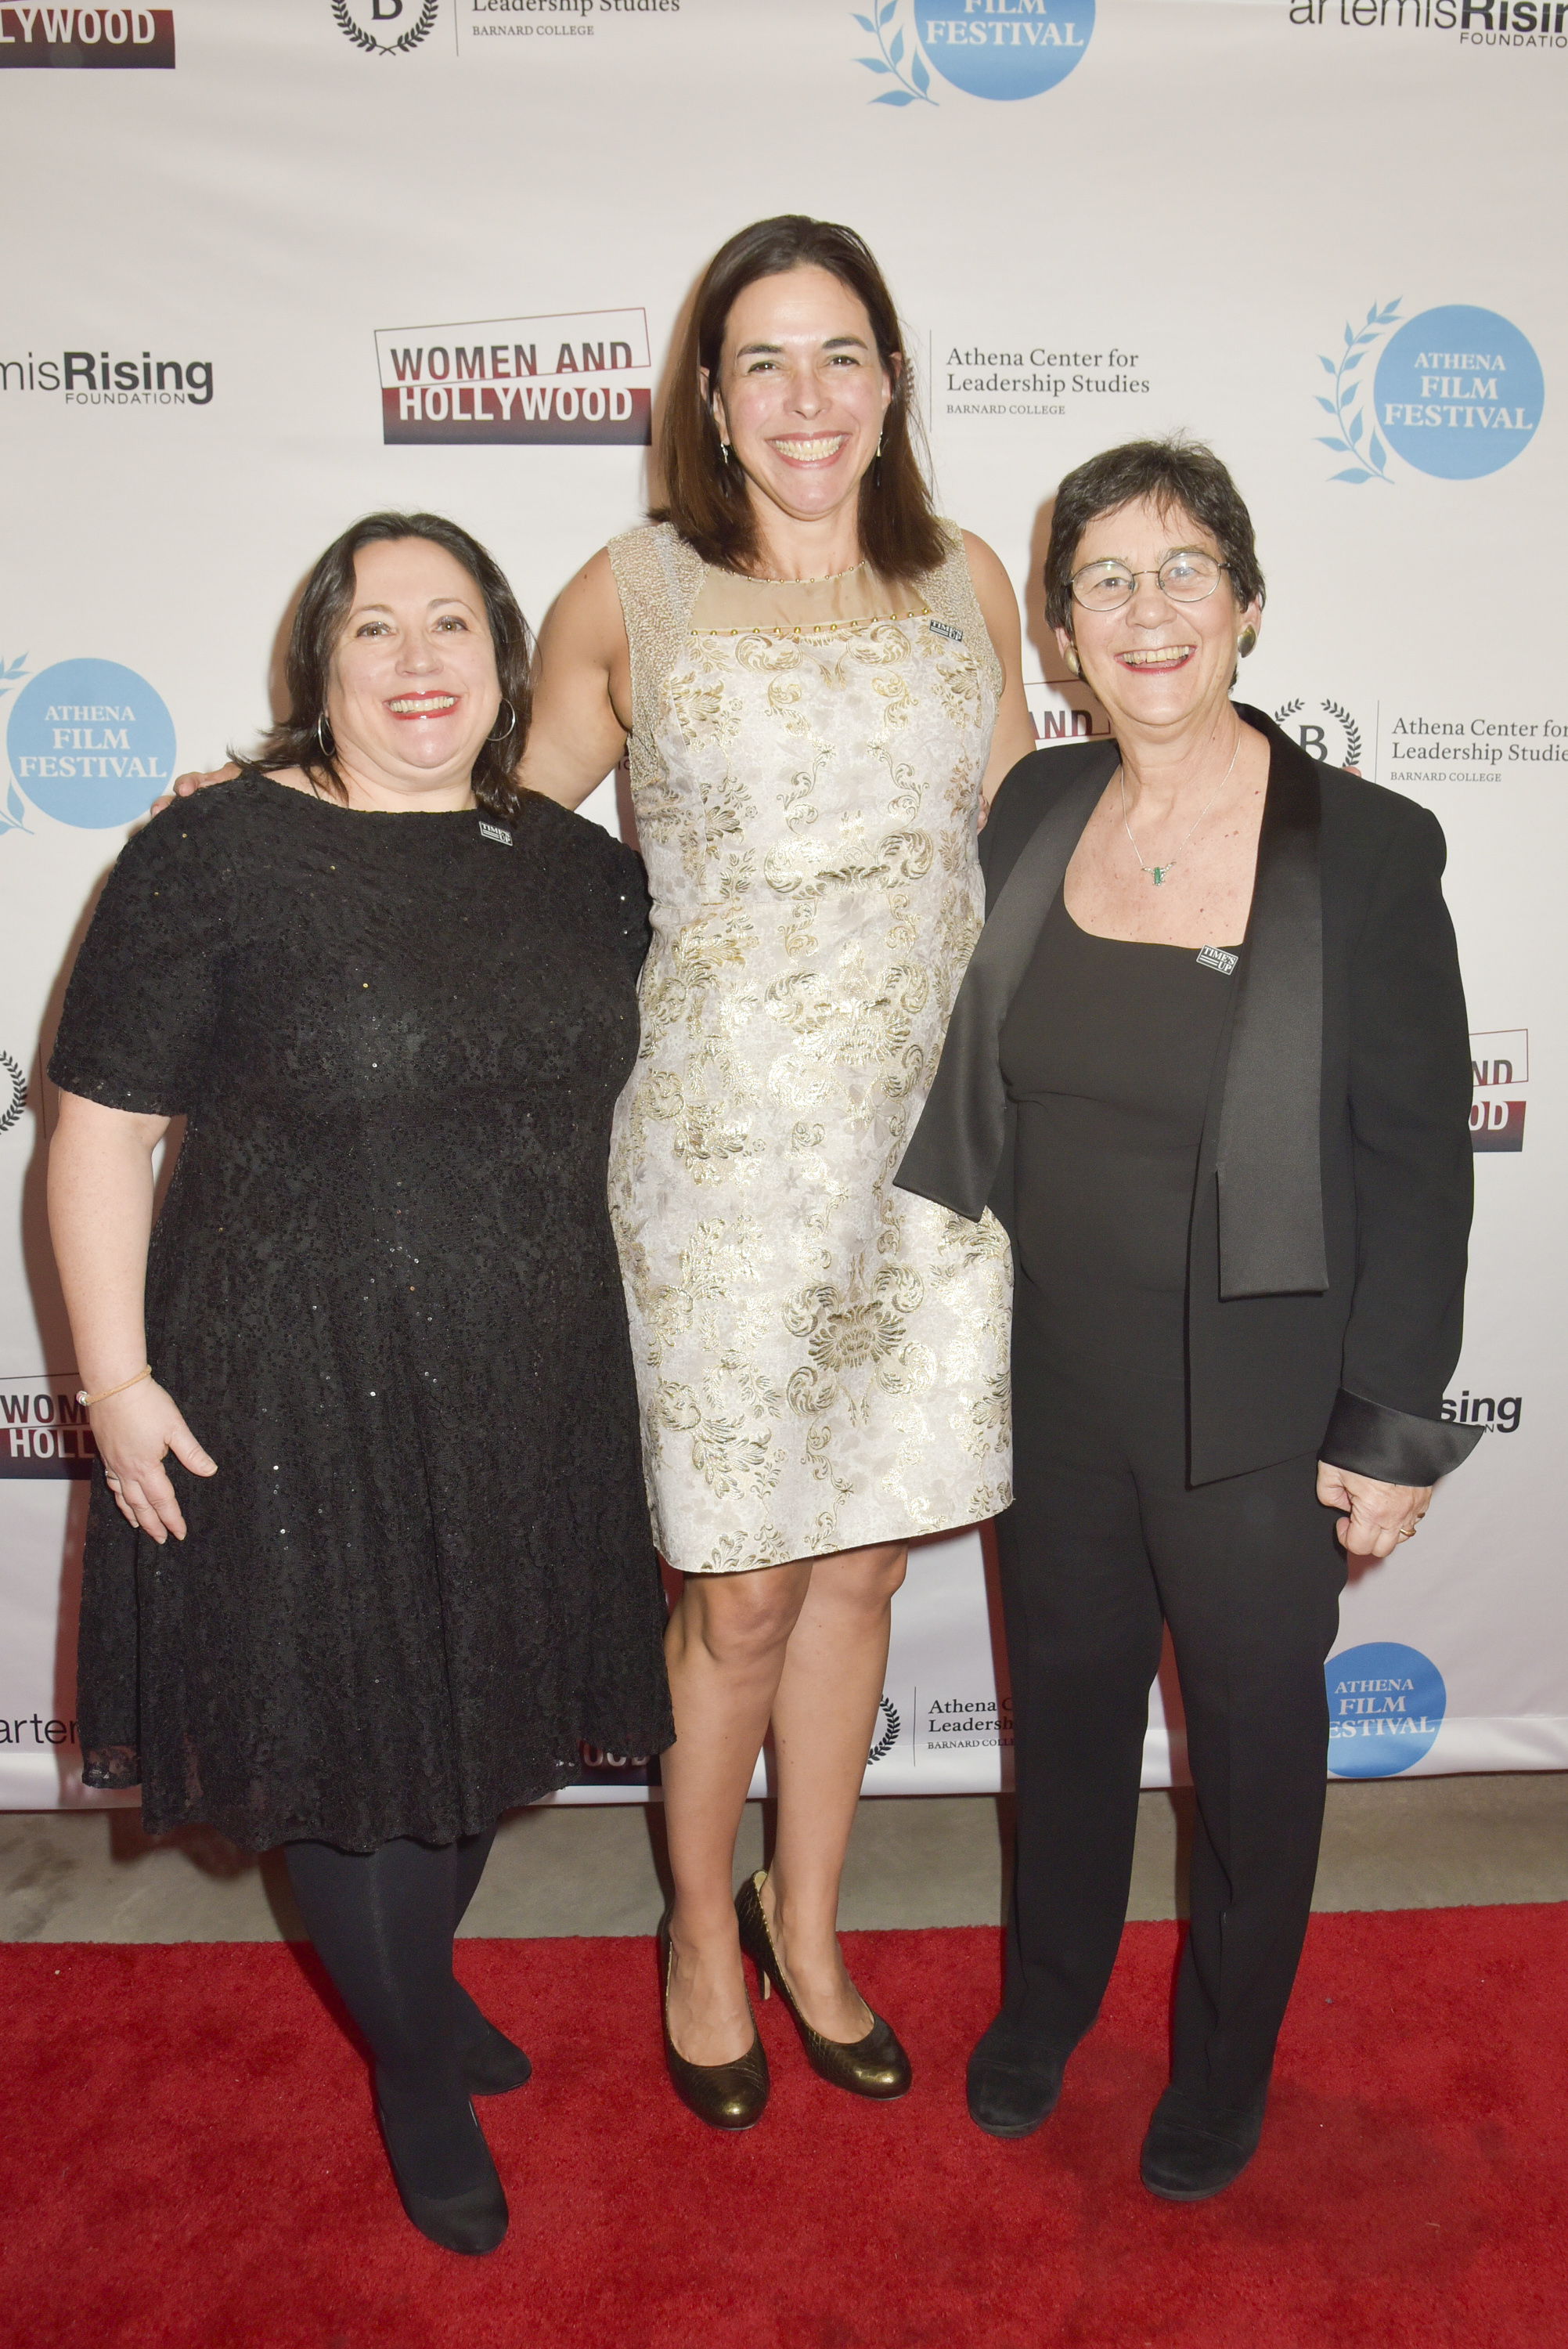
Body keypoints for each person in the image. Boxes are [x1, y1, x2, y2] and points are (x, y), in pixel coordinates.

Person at [47, 512, 673, 2255]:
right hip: (292, 1380)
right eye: (376, 628)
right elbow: (99, 1136)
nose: (419, 663)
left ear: (507, 663)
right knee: (344, 1742)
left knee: (472, 1726)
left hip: (531, 1373)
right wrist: (115, 1379)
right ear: (317, 663)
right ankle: (408, 2057)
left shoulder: (575, 867)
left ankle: (418, 1992)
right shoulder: (215, 855)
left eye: (453, 624)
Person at [896, 437, 1480, 2200]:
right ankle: (1048, 2006)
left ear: (1245, 601)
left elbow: (1418, 1153)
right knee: (1063, 1723)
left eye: (1183, 571)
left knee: (1252, 1765)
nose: (1146, 613)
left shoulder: (1365, 851)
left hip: (1258, 1404)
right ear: (1061, 635)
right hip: (1058, 1381)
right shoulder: (1037, 814)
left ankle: (1224, 2064)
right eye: (1103, 582)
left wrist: (1389, 1424)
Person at [521, 215, 1033, 2123]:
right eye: (764, 362)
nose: (807, 398)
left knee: (865, 1570)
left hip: (932, 1164)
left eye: (841, 356)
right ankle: (693, 1931)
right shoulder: (631, 594)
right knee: (737, 1595)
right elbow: (478, 829)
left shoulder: (967, 581)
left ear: (891, 380)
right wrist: (269, 801)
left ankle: (806, 1924)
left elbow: (1027, 866)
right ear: (711, 404)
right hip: (721, 1170)